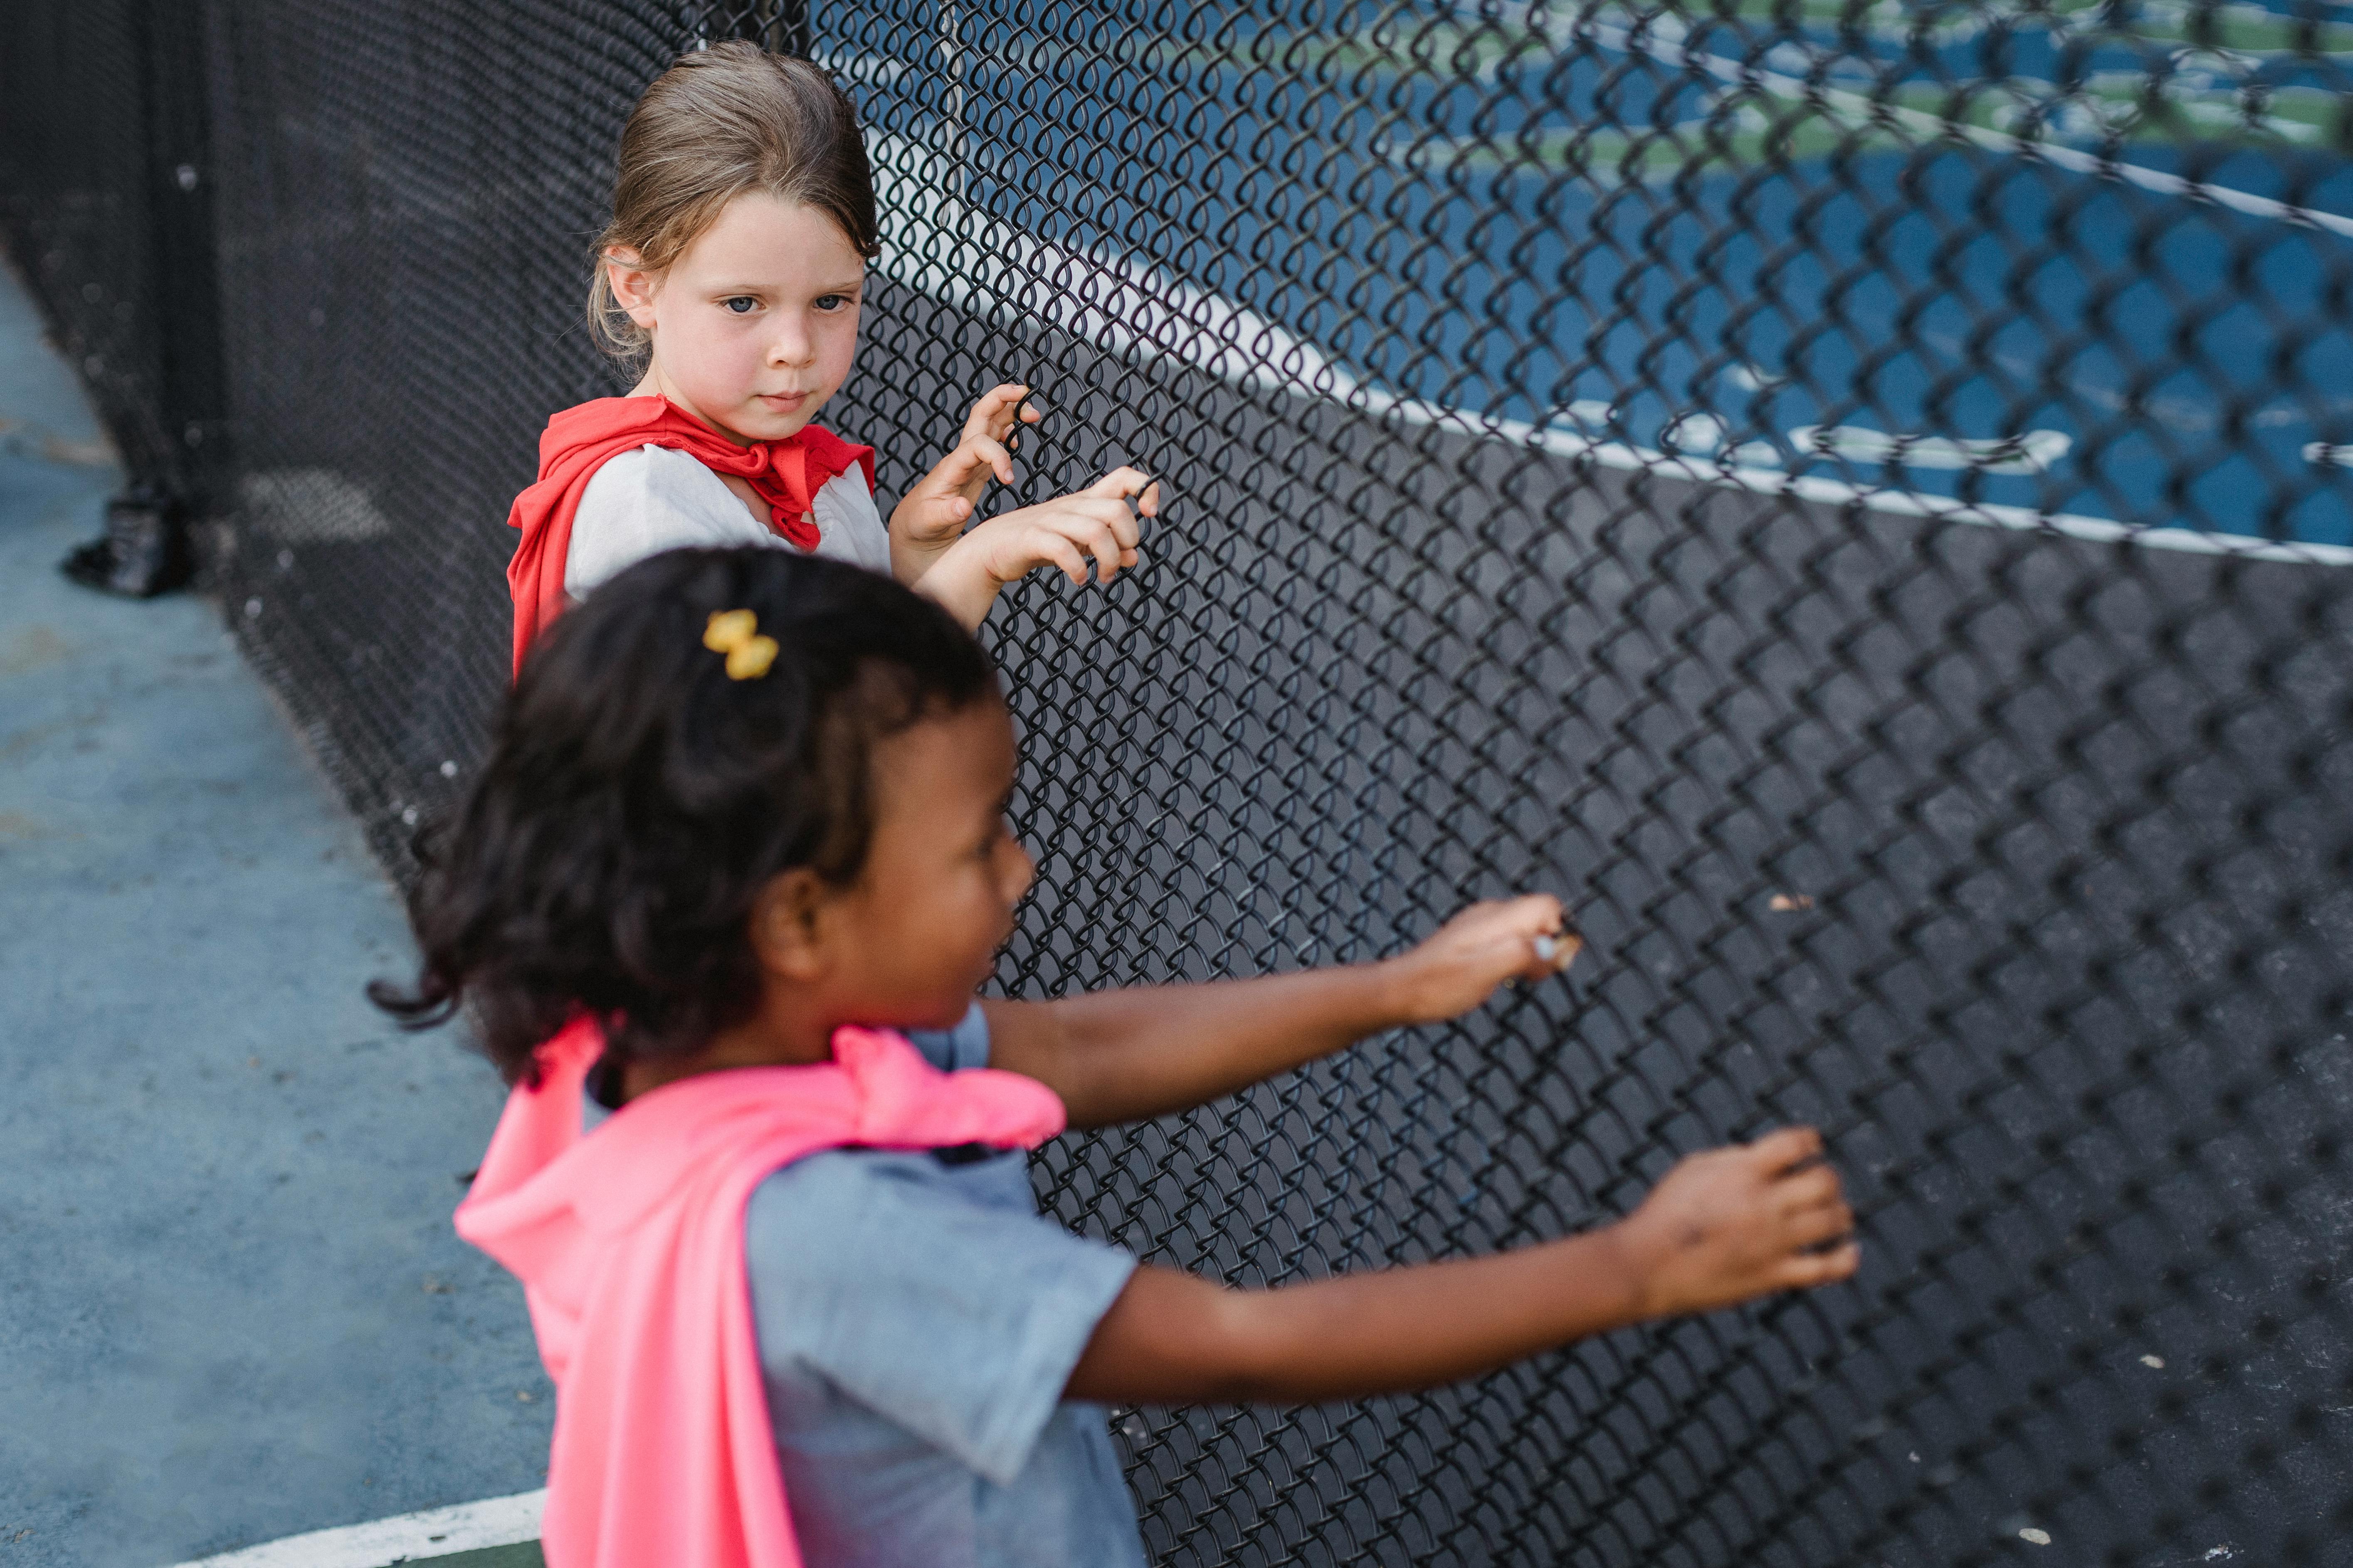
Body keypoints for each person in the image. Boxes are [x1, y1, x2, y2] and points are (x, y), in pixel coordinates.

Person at [375, 547, 1860, 1568]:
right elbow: (1241, 1345)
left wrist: (1396, 987)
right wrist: (1644, 1265)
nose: (1022, 871)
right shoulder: (816, 1226)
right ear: (802, 917)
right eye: (977, 845)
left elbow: (1076, 1045)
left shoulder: (650, 1050)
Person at [504, 42, 1158, 673]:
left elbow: (844, 657)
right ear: (637, 287)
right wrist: (973, 568)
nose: (795, 349)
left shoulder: (817, 479)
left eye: (831, 301)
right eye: (742, 304)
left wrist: (909, 564)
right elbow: (796, 736)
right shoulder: (645, 507)